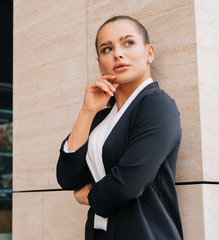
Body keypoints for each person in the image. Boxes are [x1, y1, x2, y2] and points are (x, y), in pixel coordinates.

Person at [56, 15, 183, 240]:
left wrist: (88, 196)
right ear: (99, 63)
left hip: (146, 233)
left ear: (149, 52)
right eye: (107, 49)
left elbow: (130, 182)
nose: (118, 53)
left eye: (128, 43)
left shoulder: (157, 104)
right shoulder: (101, 117)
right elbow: (68, 178)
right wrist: (87, 112)